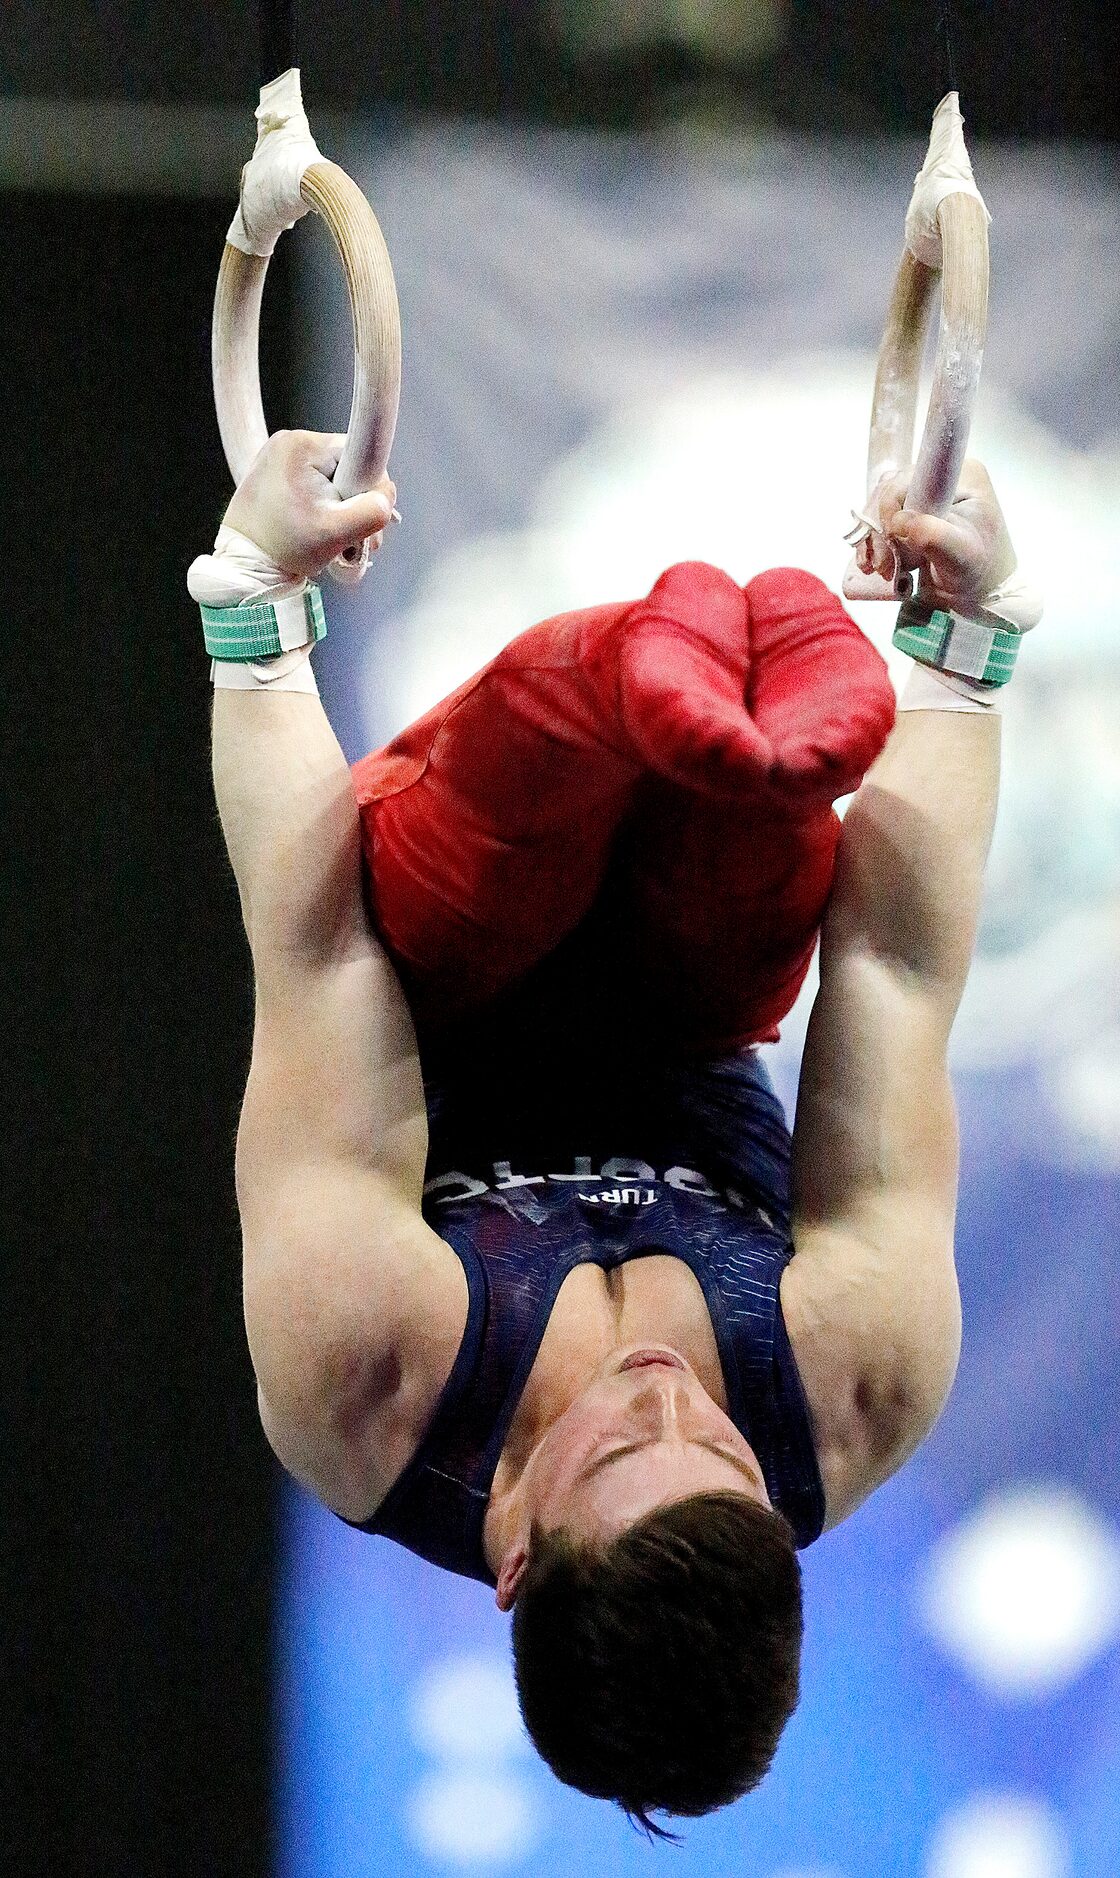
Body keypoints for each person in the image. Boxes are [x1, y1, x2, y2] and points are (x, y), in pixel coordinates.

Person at [196, 429, 1027, 1834]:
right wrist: (964, 647)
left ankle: (636, 670)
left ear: (519, 1551)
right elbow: (890, 965)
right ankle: (718, 702)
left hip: (437, 958)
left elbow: (318, 948)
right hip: (696, 996)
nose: (673, 1390)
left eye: (626, 1439)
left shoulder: (369, 1378)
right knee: (765, 784)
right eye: (723, 1449)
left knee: (570, 746)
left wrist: (255, 612)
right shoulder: (854, 1379)